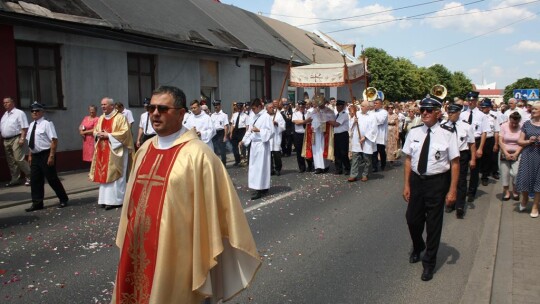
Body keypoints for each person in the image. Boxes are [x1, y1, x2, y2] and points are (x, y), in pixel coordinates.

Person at [112, 85, 260, 304]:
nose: (155, 113)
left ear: (182, 114)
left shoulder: (199, 155)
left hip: (178, 253)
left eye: (163, 108)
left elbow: (215, 213)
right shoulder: (144, 150)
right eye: (151, 107)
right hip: (139, 246)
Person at [402, 95, 459, 281]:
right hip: (418, 181)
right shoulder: (414, 132)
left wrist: (452, 190)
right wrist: (407, 184)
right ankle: (418, 245)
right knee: (412, 219)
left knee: (434, 225)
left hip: (437, 182)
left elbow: (455, 163)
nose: (424, 113)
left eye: (428, 110)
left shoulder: (448, 134)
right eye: (422, 110)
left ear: (438, 112)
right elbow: (408, 160)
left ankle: (429, 263)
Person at [89, 97, 134, 210]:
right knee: (104, 174)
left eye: (105, 104)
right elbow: (95, 131)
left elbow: (125, 133)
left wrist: (108, 135)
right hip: (103, 150)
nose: (102, 106)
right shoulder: (101, 118)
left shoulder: (120, 118)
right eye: (102, 104)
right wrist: (97, 134)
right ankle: (104, 200)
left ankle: (117, 200)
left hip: (116, 150)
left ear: (112, 106)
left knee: (116, 175)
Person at [25, 102, 69, 211]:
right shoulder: (31, 125)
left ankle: (63, 198)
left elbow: (54, 140)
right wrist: (30, 155)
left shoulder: (47, 123)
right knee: (35, 180)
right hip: (35, 155)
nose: (34, 113)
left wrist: (51, 156)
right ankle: (37, 203)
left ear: (42, 112)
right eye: (32, 111)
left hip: (46, 154)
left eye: (37, 111)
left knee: (52, 178)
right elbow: (31, 142)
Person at [442, 101, 477, 219]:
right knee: (448, 180)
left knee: (461, 181)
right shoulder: (443, 125)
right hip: (447, 156)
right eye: (449, 112)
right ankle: (450, 202)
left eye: (452, 112)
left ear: (458, 113)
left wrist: (473, 159)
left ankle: (460, 206)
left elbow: (472, 144)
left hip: (461, 155)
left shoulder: (466, 126)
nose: (450, 114)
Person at [240, 98, 274, 200]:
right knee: (255, 167)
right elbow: (249, 131)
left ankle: (259, 189)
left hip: (262, 144)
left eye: (254, 108)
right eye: (252, 109)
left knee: (261, 167)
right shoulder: (253, 116)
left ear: (260, 107)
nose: (253, 110)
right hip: (254, 145)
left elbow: (271, 132)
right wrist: (243, 141)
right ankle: (261, 186)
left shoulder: (266, 117)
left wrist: (259, 130)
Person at [459, 91, 489, 202]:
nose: (470, 102)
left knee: (474, 170)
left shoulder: (482, 116)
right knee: (462, 169)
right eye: (469, 100)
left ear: (476, 101)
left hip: (476, 142)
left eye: (473, 100)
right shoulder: (462, 114)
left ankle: (471, 192)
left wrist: (480, 148)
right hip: (464, 143)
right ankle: (461, 190)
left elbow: (484, 133)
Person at [516, 101, 540, 217]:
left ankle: (535, 206)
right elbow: (519, 141)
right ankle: (525, 198)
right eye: (533, 109)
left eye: (536, 109)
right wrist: (528, 141)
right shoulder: (526, 124)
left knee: (539, 181)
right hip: (528, 154)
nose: (533, 110)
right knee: (525, 178)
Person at [1, 96, 31, 186]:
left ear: (12, 102)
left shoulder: (19, 113)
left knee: (18, 158)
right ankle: (15, 179)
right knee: (11, 161)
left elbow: (24, 127)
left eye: (7, 102)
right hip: (6, 140)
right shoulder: (5, 114)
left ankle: (31, 176)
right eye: (4, 103)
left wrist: (22, 138)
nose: (5, 104)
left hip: (16, 138)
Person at [304, 95, 335, 174]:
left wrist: (322, 116)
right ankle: (318, 167)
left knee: (324, 149)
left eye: (321, 103)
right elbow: (308, 120)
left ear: (324, 102)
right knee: (316, 150)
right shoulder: (313, 111)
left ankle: (325, 166)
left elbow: (331, 120)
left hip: (325, 134)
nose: (320, 105)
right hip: (315, 133)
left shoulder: (329, 111)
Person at [348, 101, 377, 182]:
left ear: (368, 107)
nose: (361, 107)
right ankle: (353, 175)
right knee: (355, 157)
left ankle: (365, 174)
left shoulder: (372, 116)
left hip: (367, 140)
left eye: (363, 106)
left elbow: (374, 129)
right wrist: (354, 121)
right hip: (357, 139)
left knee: (367, 159)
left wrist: (365, 137)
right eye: (361, 105)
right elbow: (350, 126)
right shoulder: (357, 114)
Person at [499, 111, 523, 201]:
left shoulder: (522, 127)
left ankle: (515, 190)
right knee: (505, 173)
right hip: (505, 152)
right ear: (509, 120)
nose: (514, 125)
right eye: (512, 122)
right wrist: (506, 153)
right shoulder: (504, 126)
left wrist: (516, 153)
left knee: (516, 173)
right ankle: (506, 192)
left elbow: (522, 142)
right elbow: (500, 141)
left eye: (516, 123)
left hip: (517, 152)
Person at [479, 99, 500, 186]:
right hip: (479, 139)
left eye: (485, 107)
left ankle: (485, 176)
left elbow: (496, 131)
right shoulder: (479, 116)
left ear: (489, 108)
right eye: (482, 107)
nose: (483, 109)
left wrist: (496, 143)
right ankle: (481, 173)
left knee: (489, 158)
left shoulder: (494, 116)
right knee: (480, 159)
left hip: (489, 139)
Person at [292, 101, 313, 173]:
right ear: (298, 106)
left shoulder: (309, 113)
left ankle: (310, 165)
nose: (301, 108)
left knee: (308, 150)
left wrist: (302, 121)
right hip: (298, 134)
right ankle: (302, 167)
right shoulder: (295, 113)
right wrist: (306, 121)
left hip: (307, 134)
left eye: (303, 106)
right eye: (300, 106)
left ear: (305, 106)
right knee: (299, 151)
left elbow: (311, 122)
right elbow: (296, 122)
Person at [332, 100, 350, 175]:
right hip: (336, 135)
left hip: (343, 135)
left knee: (343, 153)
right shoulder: (337, 114)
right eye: (336, 106)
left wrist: (327, 120)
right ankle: (338, 169)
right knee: (337, 153)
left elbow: (336, 124)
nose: (337, 107)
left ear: (342, 106)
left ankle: (347, 168)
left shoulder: (344, 114)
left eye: (339, 106)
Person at [267, 102, 285, 176]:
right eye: (270, 107)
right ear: (267, 109)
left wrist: (276, 123)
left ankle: (278, 169)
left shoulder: (278, 115)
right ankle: (270, 169)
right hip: (268, 138)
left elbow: (283, 126)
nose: (272, 109)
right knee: (269, 156)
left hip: (276, 138)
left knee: (277, 155)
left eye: (273, 107)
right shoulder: (264, 116)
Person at [371, 98, 388, 172]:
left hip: (380, 135)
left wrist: (373, 115)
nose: (375, 104)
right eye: (374, 103)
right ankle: (374, 166)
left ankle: (383, 164)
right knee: (374, 152)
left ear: (381, 104)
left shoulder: (384, 112)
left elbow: (380, 121)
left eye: (376, 103)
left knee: (381, 151)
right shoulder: (371, 112)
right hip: (373, 135)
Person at [210, 100, 229, 165]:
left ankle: (223, 164)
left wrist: (225, 136)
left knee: (222, 149)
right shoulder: (212, 115)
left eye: (217, 105)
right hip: (214, 133)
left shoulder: (224, 115)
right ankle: (216, 164)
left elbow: (226, 126)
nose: (216, 107)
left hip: (221, 133)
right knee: (214, 149)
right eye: (214, 106)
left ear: (220, 106)